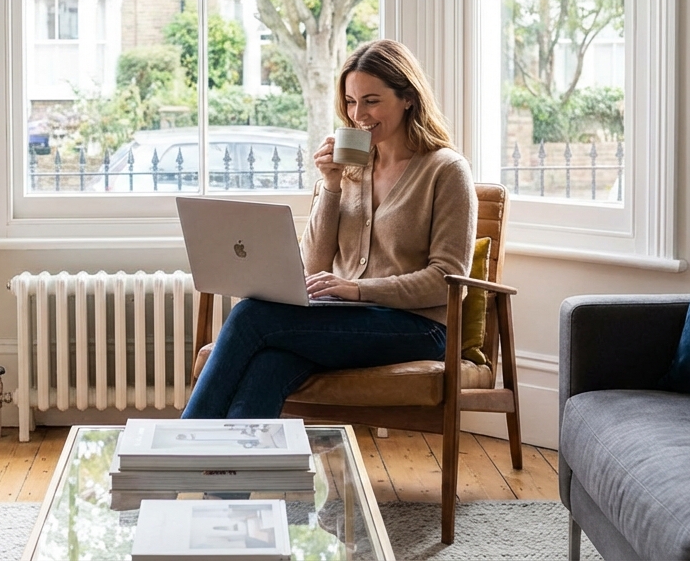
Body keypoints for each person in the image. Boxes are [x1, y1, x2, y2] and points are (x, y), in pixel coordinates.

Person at [183, 39, 478, 419]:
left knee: (251, 315)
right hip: (343, 318)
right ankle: (235, 474)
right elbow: (314, 264)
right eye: (351, 102)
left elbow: (447, 278)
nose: (359, 115)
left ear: (408, 98)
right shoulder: (350, 166)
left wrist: (356, 289)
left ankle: (181, 445)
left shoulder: (446, 170)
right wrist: (332, 185)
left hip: (419, 328)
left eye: (371, 100)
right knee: (271, 363)